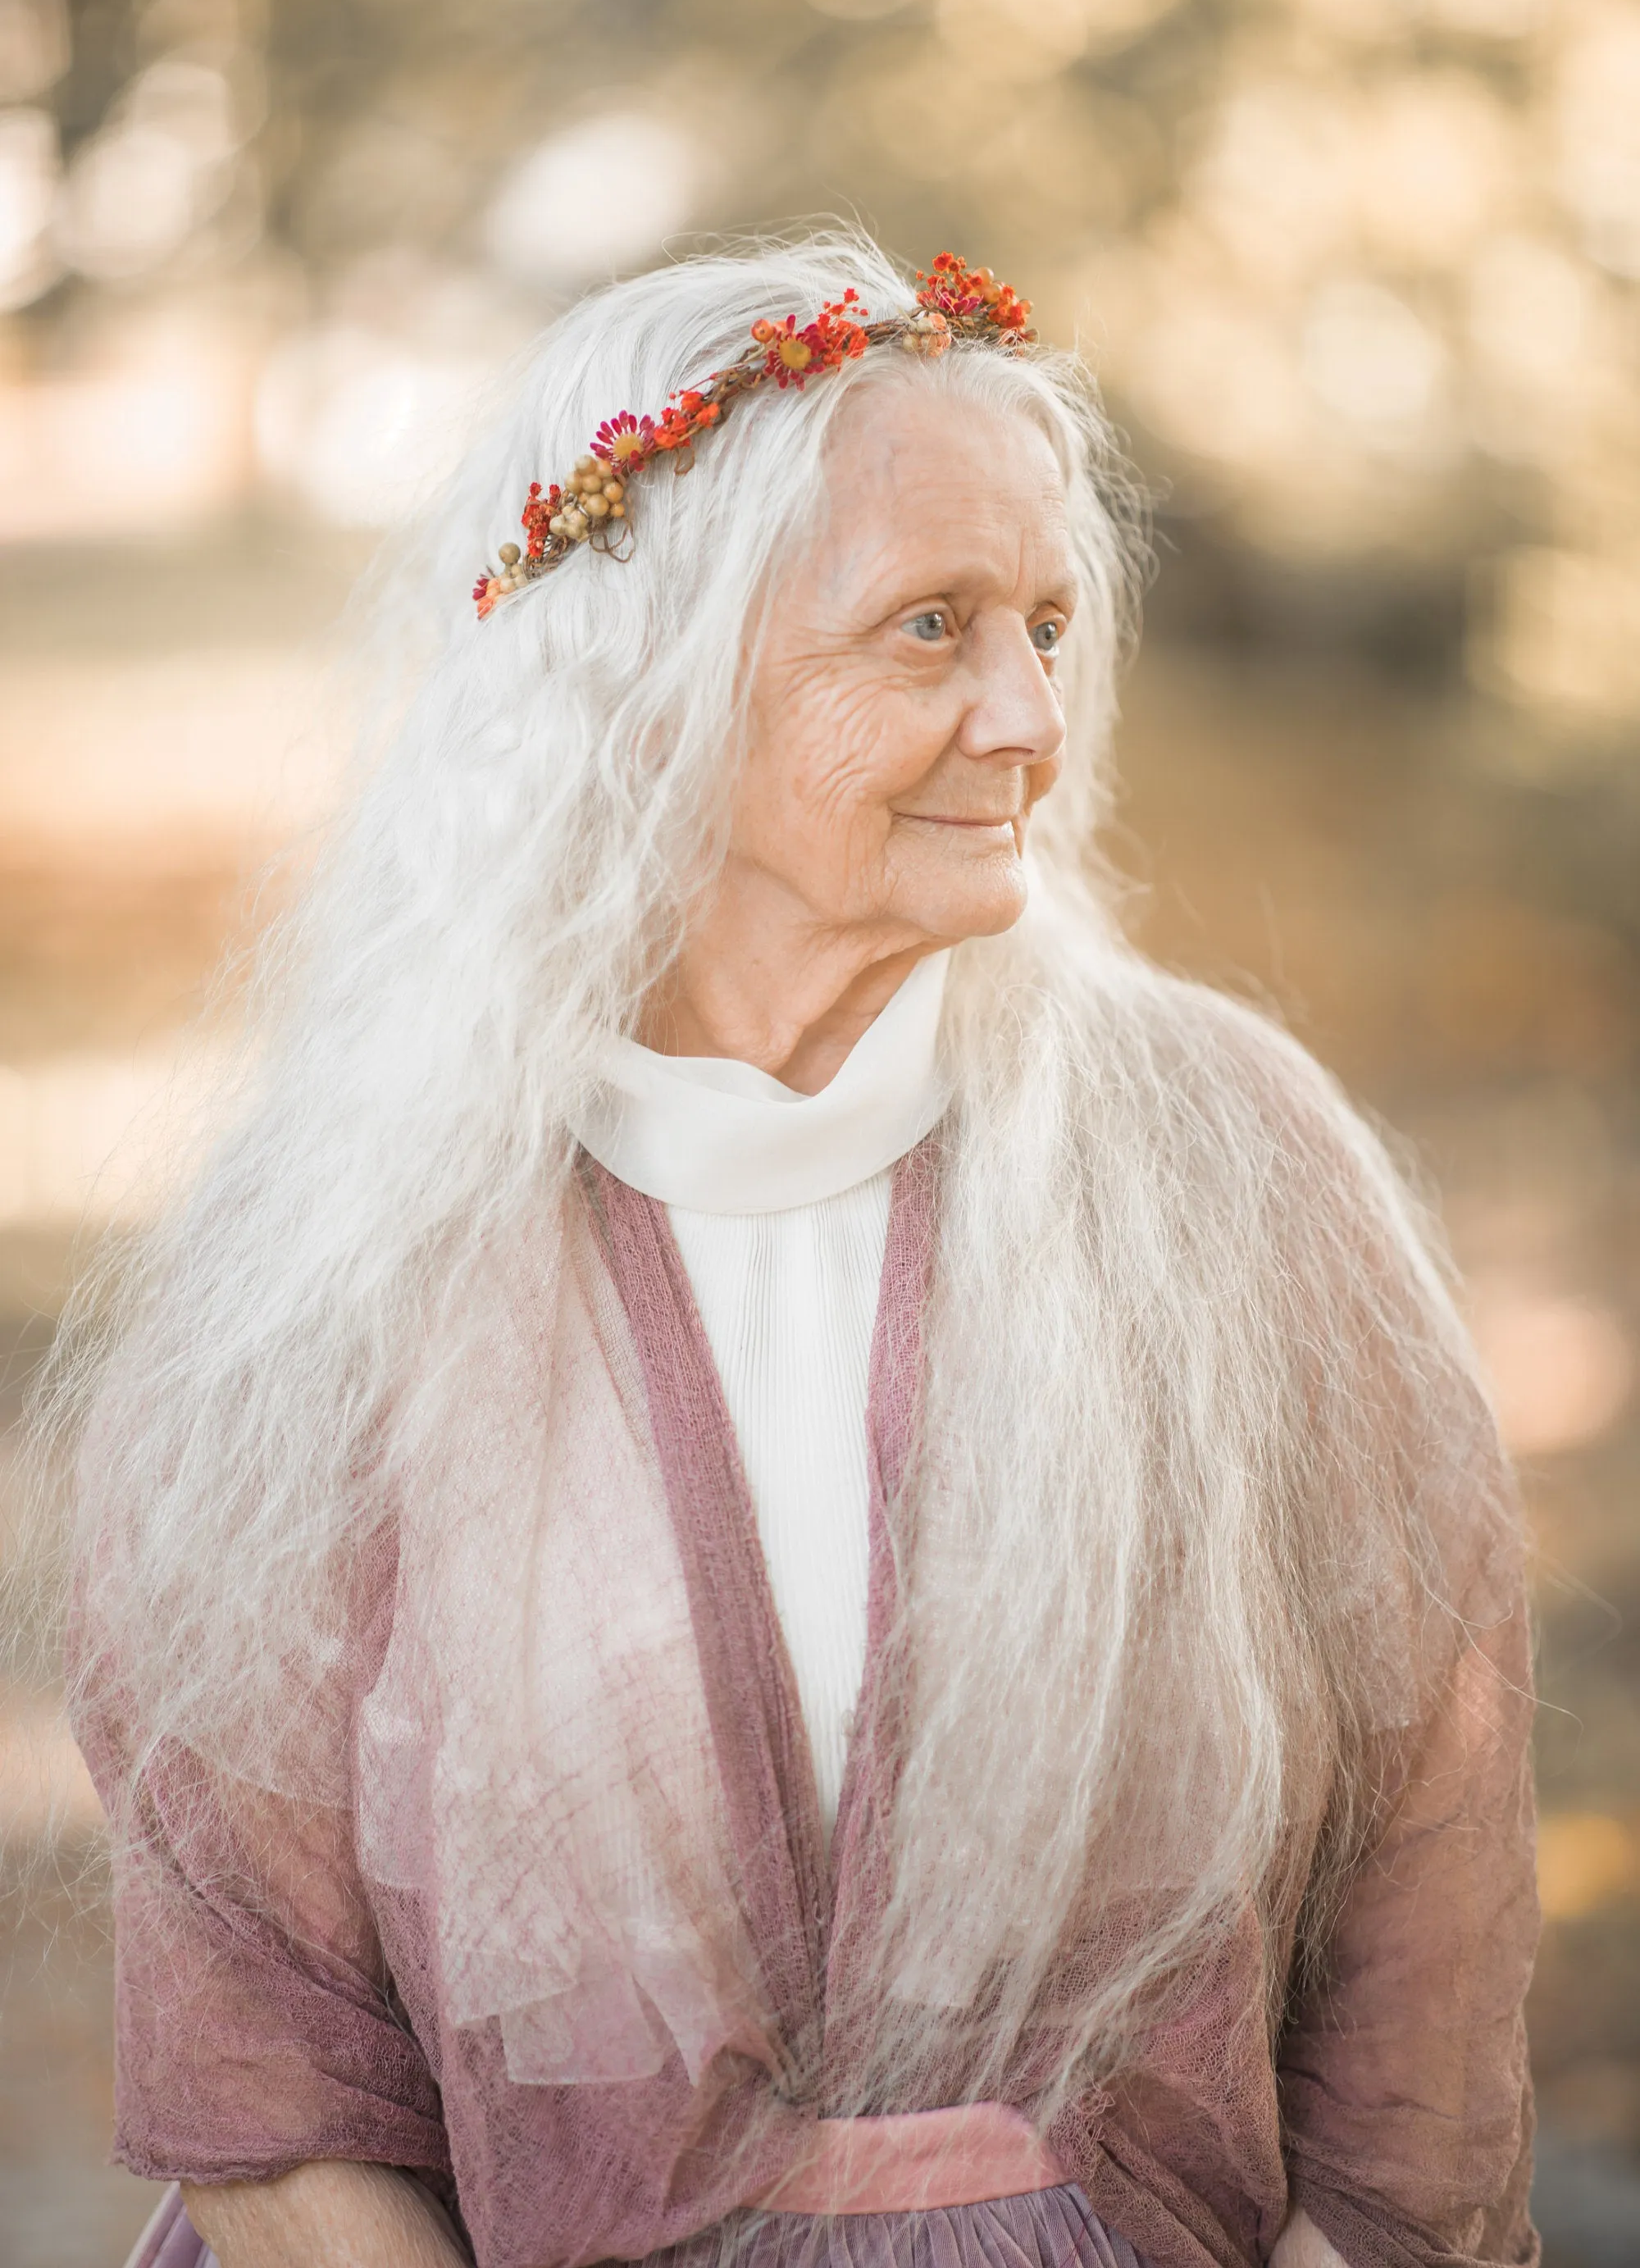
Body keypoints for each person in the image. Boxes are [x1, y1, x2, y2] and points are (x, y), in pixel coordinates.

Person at [61, 236, 1538, 2268]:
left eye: (1045, 620)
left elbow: (1423, 1927)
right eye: (928, 628)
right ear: (647, 680)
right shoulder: (336, 1257)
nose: (1029, 713)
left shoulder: (1233, 1170)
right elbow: (265, 2067)